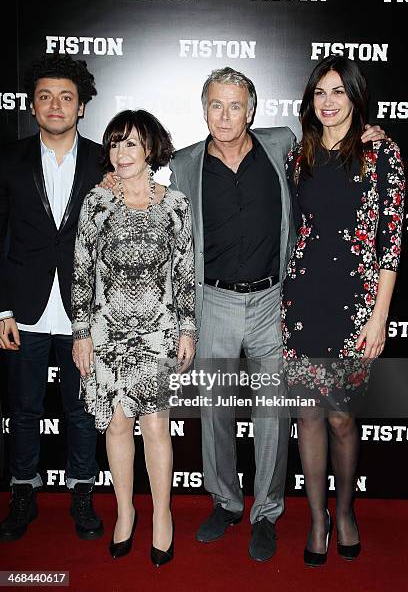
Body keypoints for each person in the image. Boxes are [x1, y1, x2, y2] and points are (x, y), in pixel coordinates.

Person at [167, 67, 386, 562]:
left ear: (252, 110)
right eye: (216, 105)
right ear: (204, 110)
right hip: (213, 302)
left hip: (273, 302)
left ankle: (266, 512)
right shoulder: (183, 166)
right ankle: (225, 503)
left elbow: (341, 150)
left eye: (235, 105)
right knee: (216, 412)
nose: (225, 115)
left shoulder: (282, 146)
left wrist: (373, 133)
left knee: (272, 415)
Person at [281, 55, 405, 566]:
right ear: (311, 101)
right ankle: (316, 519)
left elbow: (390, 243)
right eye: (319, 93)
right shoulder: (298, 155)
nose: (328, 102)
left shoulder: (382, 155)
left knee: (340, 419)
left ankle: (347, 511)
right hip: (304, 299)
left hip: (355, 304)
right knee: (307, 417)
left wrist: (379, 316)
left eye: (338, 92)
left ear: (355, 96)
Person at [71, 109, 196, 564]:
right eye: (114, 143)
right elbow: (82, 271)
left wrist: (187, 329)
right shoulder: (96, 202)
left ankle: (162, 516)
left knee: (155, 426)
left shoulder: (175, 204)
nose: (120, 153)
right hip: (105, 331)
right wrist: (81, 334)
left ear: (150, 150)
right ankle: (125, 513)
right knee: (118, 423)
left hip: (157, 331)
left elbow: (184, 273)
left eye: (130, 144)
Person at [0, 54, 104, 542]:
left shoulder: (107, 159)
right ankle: (23, 492)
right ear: (32, 105)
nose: (55, 105)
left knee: (82, 409)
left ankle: (82, 493)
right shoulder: (8, 159)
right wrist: (2, 308)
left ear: (81, 106)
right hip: (25, 309)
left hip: (85, 312)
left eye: (66, 97)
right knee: (23, 407)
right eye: (45, 97)